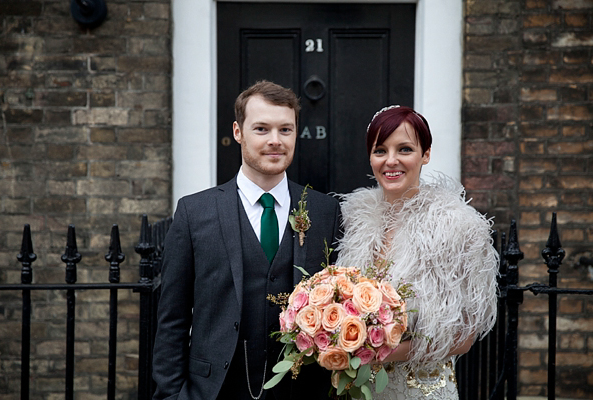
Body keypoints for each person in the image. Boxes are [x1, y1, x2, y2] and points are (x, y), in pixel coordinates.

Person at [152, 80, 341, 400]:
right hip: (214, 389)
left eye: (285, 130)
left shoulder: (324, 211)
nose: (275, 141)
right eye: (262, 129)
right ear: (238, 132)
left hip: (301, 389)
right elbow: (172, 318)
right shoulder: (194, 212)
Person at [336, 105, 498, 399]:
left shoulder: (457, 226)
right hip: (359, 390)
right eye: (380, 150)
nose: (391, 161)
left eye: (405, 149)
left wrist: (377, 354)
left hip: (423, 390)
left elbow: (464, 337)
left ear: (425, 154)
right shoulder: (351, 220)